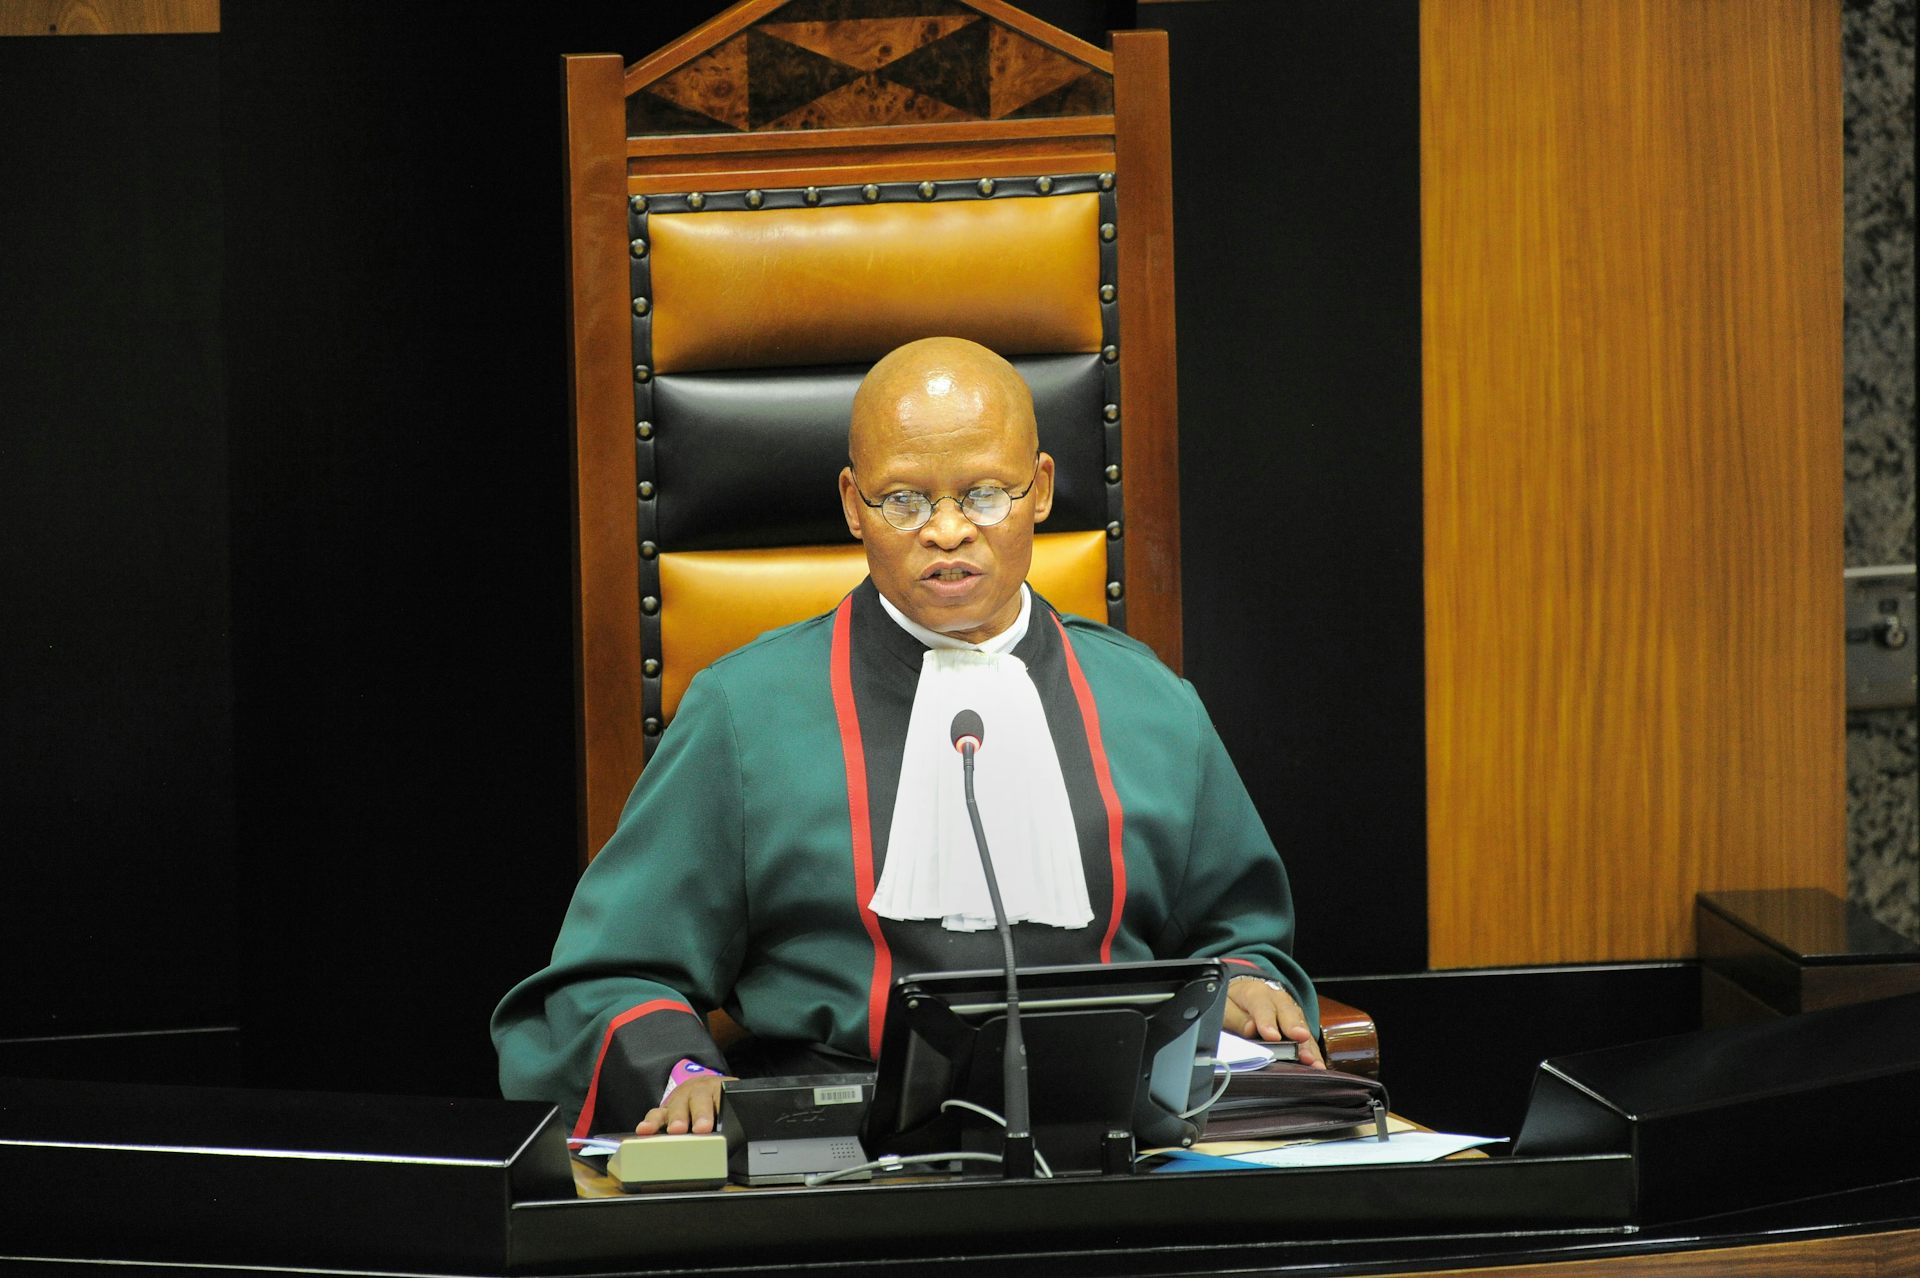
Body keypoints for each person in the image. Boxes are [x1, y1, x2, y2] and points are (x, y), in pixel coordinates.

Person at [491, 336, 1321, 1141]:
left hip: (1115, 1141)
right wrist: (680, 1072)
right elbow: (611, 976)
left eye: (985, 494)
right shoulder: (743, 714)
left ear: (1040, 489)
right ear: (853, 505)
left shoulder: (1151, 705)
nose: (948, 531)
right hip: (834, 1152)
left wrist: (1247, 984)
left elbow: (1238, 937)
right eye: (904, 501)